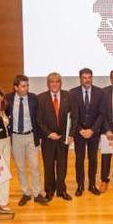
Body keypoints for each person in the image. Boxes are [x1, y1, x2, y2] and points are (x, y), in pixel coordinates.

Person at [6, 75, 47, 206]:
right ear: (16, 87)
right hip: (16, 137)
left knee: (34, 166)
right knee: (21, 167)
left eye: (27, 85)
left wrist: (39, 137)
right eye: (23, 86)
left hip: (30, 136)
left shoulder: (34, 98)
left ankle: (37, 193)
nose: (26, 88)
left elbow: (39, 118)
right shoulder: (8, 99)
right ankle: (25, 193)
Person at [36, 72, 72, 201]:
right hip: (48, 139)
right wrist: (49, 133)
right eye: (52, 82)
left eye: (57, 82)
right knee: (48, 166)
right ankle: (49, 191)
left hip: (63, 138)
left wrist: (71, 134)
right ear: (48, 84)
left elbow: (74, 116)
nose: (55, 84)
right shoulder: (41, 98)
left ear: (61, 84)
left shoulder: (68, 96)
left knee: (62, 166)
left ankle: (61, 190)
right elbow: (39, 120)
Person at [69, 68, 105, 196]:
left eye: (89, 77)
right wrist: (79, 130)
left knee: (93, 159)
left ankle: (91, 184)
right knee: (79, 159)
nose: (87, 80)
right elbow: (73, 115)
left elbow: (102, 114)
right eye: (84, 77)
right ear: (80, 79)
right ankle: (80, 185)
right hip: (79, 133)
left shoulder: (100, 92)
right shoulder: (73, 93)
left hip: (93, 133)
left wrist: (92, 130)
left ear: (92, 78)